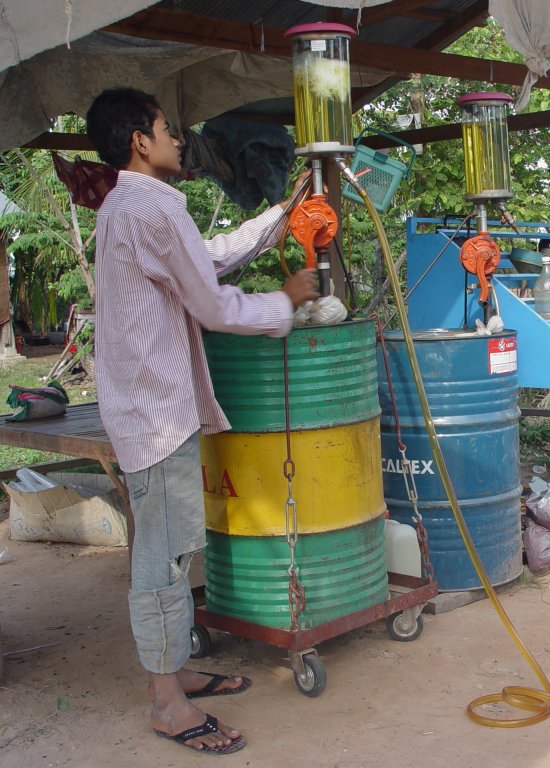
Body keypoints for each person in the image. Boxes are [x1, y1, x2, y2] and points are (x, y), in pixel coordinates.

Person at [85, 88, 319, 755]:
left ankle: (176, 671)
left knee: (176, 544)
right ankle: (164, 700)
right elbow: (212, 303)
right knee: (161, 558)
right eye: (166, 129)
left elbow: (206, 258)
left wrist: (281, 214)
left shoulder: (130, 207)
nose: (178, 141)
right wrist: (284, 300)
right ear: (139, 140)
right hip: (153, 412)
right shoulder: (149, 207)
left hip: (156, 406)